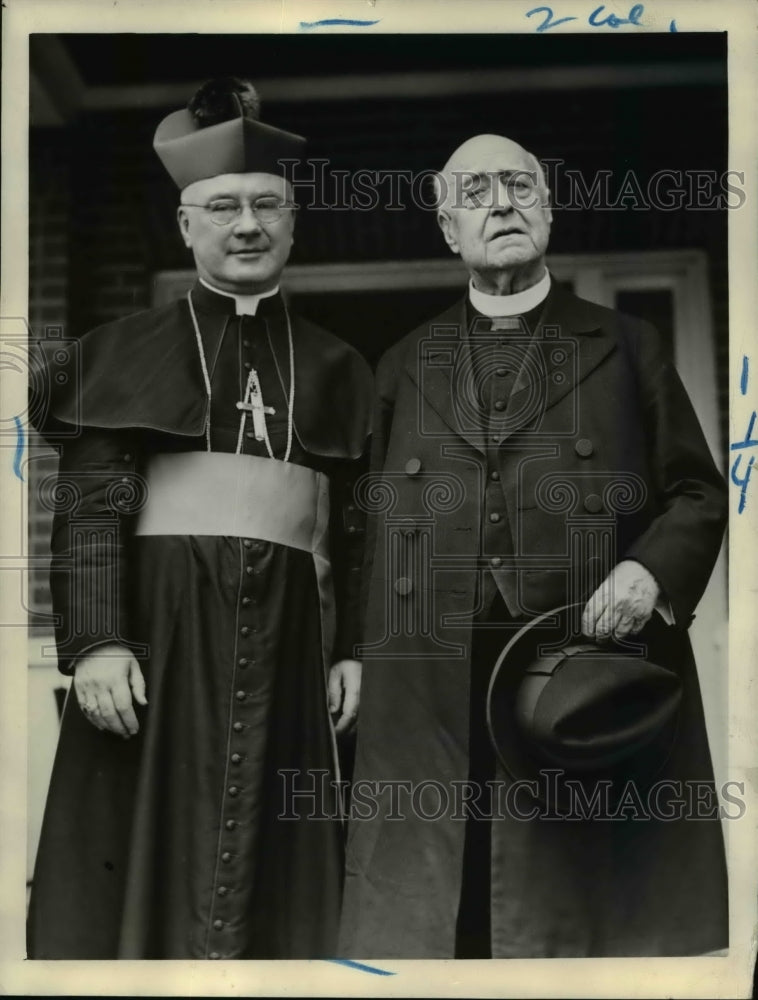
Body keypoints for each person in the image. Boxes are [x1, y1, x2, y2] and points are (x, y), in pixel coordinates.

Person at [339, 134, 728, 958]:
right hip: (432, 683)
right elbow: (362, 526)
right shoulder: (404, 364)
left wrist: (647, 568)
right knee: (449, 906)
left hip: (579, 661)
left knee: (575, 916)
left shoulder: (625, 346)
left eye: (518, 186)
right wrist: (351, 652)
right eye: (476, 193)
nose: (502, 204)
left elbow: (697, 491)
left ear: (547, 209)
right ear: (449, 232)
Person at [28, 77, 372, 960]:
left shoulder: (338, 369)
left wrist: (355, 651)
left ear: (295, 223)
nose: (247, 225)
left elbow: (364, 528)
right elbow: (93, 504)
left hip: (291, 646)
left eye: (267, 205)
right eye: (222, 206)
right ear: (186, 226)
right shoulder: (121, 352)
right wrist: (98, 640)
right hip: (158, 642)